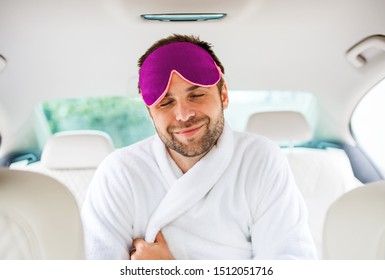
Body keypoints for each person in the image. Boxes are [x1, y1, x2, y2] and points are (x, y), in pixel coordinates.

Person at [81, 34, 317, 260]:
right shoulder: (120, 173)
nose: (183, 115)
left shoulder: (260, 160)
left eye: (196, 95)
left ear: (223, 94)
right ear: (150, 113)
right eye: (166, 103)